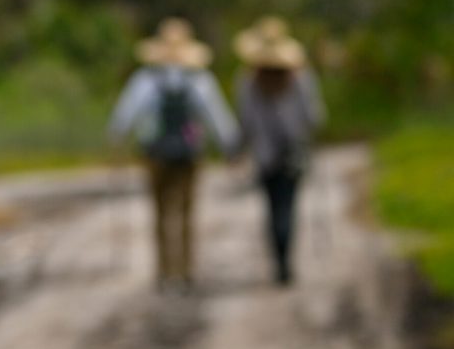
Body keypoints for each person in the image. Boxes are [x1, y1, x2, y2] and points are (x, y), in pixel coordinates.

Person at [110, 18, 240, 289]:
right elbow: (217, 116)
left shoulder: (146, 79)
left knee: (160, 214)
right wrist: (230, 145)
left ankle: (164, 271)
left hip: (155, 155)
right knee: (186, 213)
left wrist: (117, 141)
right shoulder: (199, 80)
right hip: (189, 155)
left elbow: (126, 114)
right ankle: (186, 269)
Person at [234, 17, 325, 286]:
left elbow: (245, 121)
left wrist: (236, 148)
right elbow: (315, 116)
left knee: (273, 207)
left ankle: (278, 258)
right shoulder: (300, 77)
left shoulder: (248, 80)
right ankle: (286, 260)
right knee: (289, 206)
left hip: (264, 155)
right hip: (293, 153)